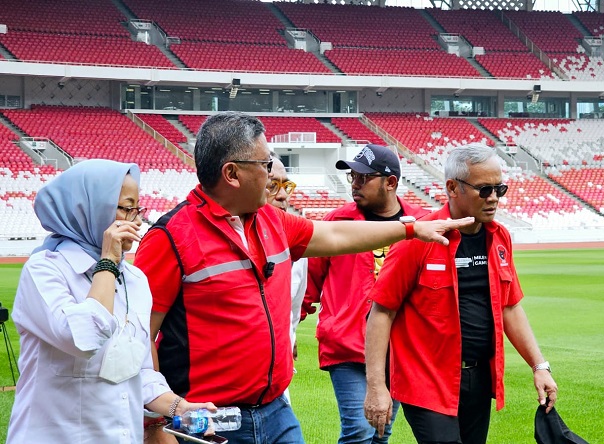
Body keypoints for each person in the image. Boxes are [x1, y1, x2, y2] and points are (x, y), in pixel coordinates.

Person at [134, 112, 473, 444]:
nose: (271, 177)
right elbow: (140, 337)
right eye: (266, 166)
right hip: (208, 420)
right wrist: (158, 418)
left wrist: (412, 228)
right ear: (232, 173)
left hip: (276, 411)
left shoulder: (270, 221)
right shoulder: (170, 238)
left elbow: (337, 235)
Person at [7, 159, 216, 444]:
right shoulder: (44, 270)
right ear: (89, 208)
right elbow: (83, 338)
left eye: (137, 208)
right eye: (125, 208)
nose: (137, 220)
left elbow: (137, 370)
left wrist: (180, 407)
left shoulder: (135, 280)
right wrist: (107, 262)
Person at [364, 144, 558, 444]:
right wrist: (376, 386)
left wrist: (539, 366)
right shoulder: (418, 238)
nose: (493, 198)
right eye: (484, 189)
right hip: (426, 380)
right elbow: (381, 312)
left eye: (499, 189)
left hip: (478, 380)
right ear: (452, 188)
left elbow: (510, 308)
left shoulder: (500, 237)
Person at [303, 144, 428, 444]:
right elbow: (310, 281)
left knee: (380, 433)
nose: (355, 184)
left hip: (397, 348)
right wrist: (288, 331)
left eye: (363, 177)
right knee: (359, 431)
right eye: (352, 177)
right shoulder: (336, 223)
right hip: (347, 346)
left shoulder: (421, 224)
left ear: (391, 183)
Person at [266, 155, 306, 395]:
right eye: (272, 185)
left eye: (285, 186)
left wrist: (289, 339)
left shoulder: (298, 250)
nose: (282, 196)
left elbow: (293, 310)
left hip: (279, 379)